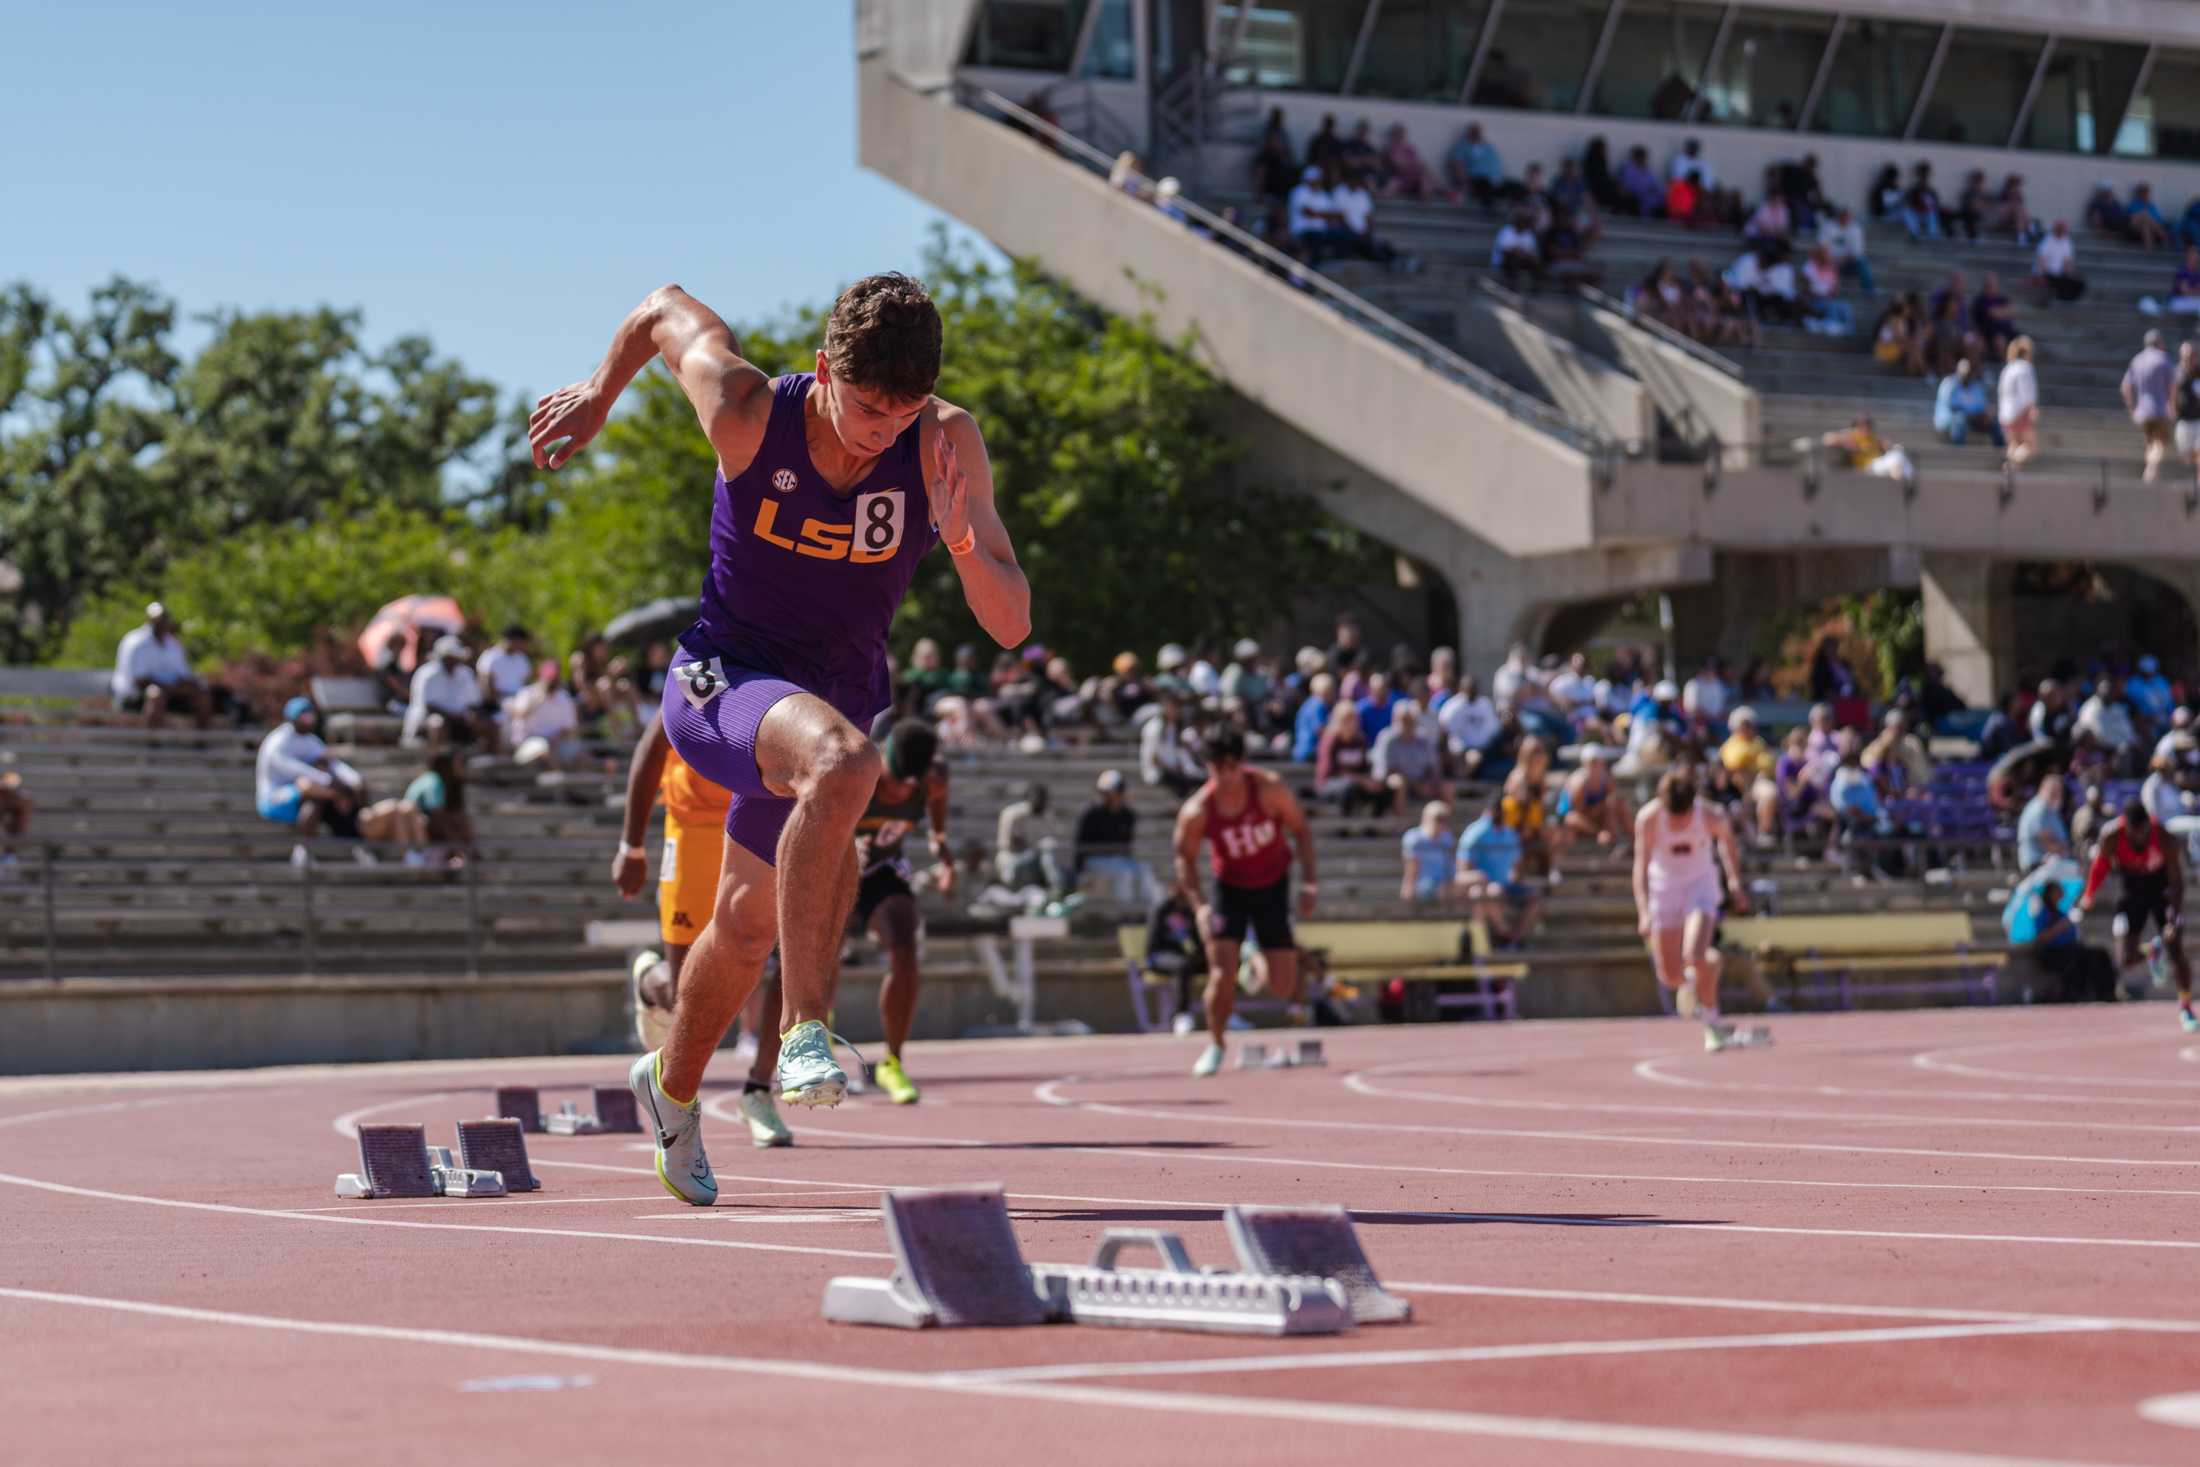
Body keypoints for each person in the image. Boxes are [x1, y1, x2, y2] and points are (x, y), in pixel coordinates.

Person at [527, 273, 1029, 1207]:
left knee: (750, 923)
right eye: (866, 406)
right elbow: (661, 307)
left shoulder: (945, 445)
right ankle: (805, 1032)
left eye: (903, 411)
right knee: (849, 762)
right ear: (822, 368)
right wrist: (598, 396)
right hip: (722, 679)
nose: (881, 430)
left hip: (826, 700)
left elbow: (1009, 623)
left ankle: (671, 1090)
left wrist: (961, 542)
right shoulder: (747, 407)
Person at [614, 716, 790, 1149]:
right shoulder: (701, 660)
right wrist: (631, 846)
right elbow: (652, 749)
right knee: (687, 998)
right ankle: (647, 981)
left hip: (763, 821)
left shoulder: (796, 660)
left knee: (795, 957)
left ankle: (758, 1091)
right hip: (693, 829)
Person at [1173, 727, 1318, 1077]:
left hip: (1272, 885)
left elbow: (1300, 831)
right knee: (1221, 974)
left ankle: (1253, 953)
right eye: (1216, 769)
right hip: (1230, 888)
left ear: (1242, 764)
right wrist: (1200, 905)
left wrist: (1309, 883)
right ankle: (1216, 1044)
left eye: (1231, 768)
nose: (1224, 777)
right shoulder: (1198, 810)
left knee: (1283, 985)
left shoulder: (1270, 789)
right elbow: (1184, 857)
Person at [850, 719, 954, 1104]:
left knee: (906, 951)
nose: (899, 793)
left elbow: (938, 804)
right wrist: (843, 843)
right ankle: (815, 1042)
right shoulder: (855, 767)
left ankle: (891, 1062)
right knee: (821, 956)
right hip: (829, 865)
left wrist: (939, 842)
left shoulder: (932, 780)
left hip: (881, 869)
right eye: (892, 784)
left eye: (908, 787)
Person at [1633, 766, 1752, 1051]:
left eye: (1682, 816)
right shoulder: (1649, 819)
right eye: (1673, 816)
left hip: (1699, 886)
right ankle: (1699, 975)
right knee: (1670, 976)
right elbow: (1640, 865)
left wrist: (1734, 880)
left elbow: (1727, 844)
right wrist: (1644, 910)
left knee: (1695, 953)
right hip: (1664, 889)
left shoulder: (1711, 816)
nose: (1677, 822)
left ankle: (1712, 1023)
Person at [2078, 801, 2193, 1030]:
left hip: (2161, 888)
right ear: (2126, 827)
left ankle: (2186, 1007)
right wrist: (2089, 893)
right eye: (2136, 833)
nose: (2140, 838)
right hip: (2131, 889)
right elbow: (2100, 865)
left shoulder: (2163, 837)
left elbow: (2177, 883)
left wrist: (2173, 919)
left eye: (2144, 832)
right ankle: (2151, 950)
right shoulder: (2111, 836)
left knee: (2175, 947)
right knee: (2125, 959)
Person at [255, 697, 367, 843]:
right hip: (274, 799)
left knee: (320, 800)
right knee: (309, 788)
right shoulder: (277, 743)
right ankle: (305, 847)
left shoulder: (311, 741)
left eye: (310, 715)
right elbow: (298, 772)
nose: (308, 720)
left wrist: (354, 779)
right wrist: (335, 788)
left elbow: (333, 764)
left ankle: (352, 840)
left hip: (311, 798)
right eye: (303, 716)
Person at [1455, 792, 1539, 945]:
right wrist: (1481, 878)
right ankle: (1501, 934)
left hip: (1505, 885)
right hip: (1482, 887)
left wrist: (1514, 878)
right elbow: (1462, 872)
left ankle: (1516, 940)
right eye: (1498, 810)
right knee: (1490, 892)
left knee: (1534, 896)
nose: (1501, 813)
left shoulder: (1509, 834)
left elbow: (1517, 867)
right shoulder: (1475, 834)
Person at [111, 602, 211, 729]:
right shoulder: (136, 642)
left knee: (202, 693)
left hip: (169, 694)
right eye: (157, 619)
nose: (161, 623)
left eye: (164, 619)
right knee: (156, 695)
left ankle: (202, 742)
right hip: (135, 697)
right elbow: (140, 681)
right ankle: (152, 744)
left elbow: (184, 675)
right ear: (149, 620)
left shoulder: (173, 644)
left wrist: (189, 685)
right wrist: (169, 688)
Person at [1075, 768, 1149, 905]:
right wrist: (1078, 870)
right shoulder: (1090, 814)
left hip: (1118, 859)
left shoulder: (1127, 815)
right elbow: (1080, 845)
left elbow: (1127, 845)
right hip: (1094, 859)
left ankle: (1147, 910)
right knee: (1123, 872)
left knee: (1144, 870)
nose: (1117, 796)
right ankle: (1125, 912)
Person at [402, 635, 489, 749]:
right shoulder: (428, 674)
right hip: (426, 720)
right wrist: (454, 716)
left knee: (490, 725)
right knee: (437, 723)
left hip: (460, 719)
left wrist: (471, 714)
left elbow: (473, 701)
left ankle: (493, 761)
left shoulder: (465, 673)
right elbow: (429, 707)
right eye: (449, 657)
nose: (453, 661)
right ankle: (434, 760)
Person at [505, 659, 584, 767]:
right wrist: (537, 700)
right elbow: (519, 714)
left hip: (557, 743)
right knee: (543, 749)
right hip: (527, 743)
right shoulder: (528, 693)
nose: (552, 680)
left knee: (579, 752)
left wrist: (556, 737)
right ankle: (557, 780)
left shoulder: (564, 697)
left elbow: (571, 728)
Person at [2123, 329, 2177, 483]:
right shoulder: (2163, 359)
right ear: (2159, 343)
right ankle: (2151, 471)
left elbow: (2126, 387)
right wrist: (2172, 407)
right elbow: (2172, 387)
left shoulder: (2137, 360)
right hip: (2159, 409)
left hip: (2142, 411)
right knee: (2160, 443)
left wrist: (2132, 408)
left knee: (2150, 443)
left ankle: (2151, 473)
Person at [1556, 744, 1628, 849]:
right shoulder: (1578, 784)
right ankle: (1602, 836)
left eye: (1597, 762)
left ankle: (1627, 842)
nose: (1595, 766)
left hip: (1592, 817)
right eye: (1592, 763)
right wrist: (1598, 831)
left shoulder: (1607, 780)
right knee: (1572, 819)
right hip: (1574, 820)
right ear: (1584, 764)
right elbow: (1577, 814)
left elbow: (1612, 802)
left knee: (1616, 803)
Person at [996, 780, 1061, 894]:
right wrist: (1036, 846)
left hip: (1036, 858)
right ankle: (1055, 889)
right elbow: (1012, 844)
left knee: (1048, 852)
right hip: (1013, 858)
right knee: (1045, 853)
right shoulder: (1013, 815)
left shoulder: (1046, 813)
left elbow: (1051, 838)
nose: (1041, 804)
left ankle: (1056, 890)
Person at [1933, 359, 2001, 447]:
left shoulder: (1976, 387)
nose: (1967, 376)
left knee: (1994, 424)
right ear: (1958, 371)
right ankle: (1959, 451)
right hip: (1949, 420)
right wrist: (1970, 415)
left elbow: (1981, 407)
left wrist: (1984, 416)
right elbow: (1952, 407)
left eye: (1969, 373)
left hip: (1972, 420)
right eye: (1964, 373)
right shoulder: (1949, 384)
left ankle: (2001, 451)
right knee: (1960, 419)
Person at [1400, 800, 1455, 905]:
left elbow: (1449, 865)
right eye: (1438, 819)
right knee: (1431, 888)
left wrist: (1450, 881)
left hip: (1444, 882)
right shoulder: (1414, 838)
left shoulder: (1447, 838)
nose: (1440, 823)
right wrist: (1408, 887)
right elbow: (1411, 869)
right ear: (1426, 818)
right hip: (1423, 883)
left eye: (1443, 819)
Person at [2017, 772, 2071, 873]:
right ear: (2043, 789)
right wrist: (2066, 849)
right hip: (2036, 864)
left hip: (2049, 863)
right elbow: (2047, 842)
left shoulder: (2050, 808)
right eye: (2053, 791)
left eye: (2059, 791)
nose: (2057, 794)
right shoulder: (2040, 809)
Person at [1999, 336, 2039, 468]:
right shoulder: (2025, 368)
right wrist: (2031, 410)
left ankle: (2009, 474)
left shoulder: (2008, 368)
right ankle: (2010, 467)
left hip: (2005, 414)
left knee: (2014, 445)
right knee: (2029, 447)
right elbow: (2027, 394)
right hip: (2019, 412)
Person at [476, 625, 535, 709]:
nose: (524, 645)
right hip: (496, 704)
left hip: (518, 700)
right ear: (513, 640)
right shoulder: (491, 656)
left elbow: (525, 681)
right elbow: (485, 683)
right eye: (522, 641)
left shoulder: (522, 658)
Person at [2031, 219, 2085, 302]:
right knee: (2053, 282)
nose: (2065, 231)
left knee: (2079, 282)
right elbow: (2041, 260)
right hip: (2048, 273)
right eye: (2064, 229)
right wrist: (2041, 275)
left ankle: (2064, 299)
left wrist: (2071, 273)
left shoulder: (2067, 242)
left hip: (2060, 274)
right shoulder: (2047, 241)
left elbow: (2067, 261)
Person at [2175, 342, 2200, 491]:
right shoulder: (2177, 373)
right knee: (2186, 456)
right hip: (2184, 421)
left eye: (2191, 356)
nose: (2188, 359)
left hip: (2198, 420)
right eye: (2185, 356)